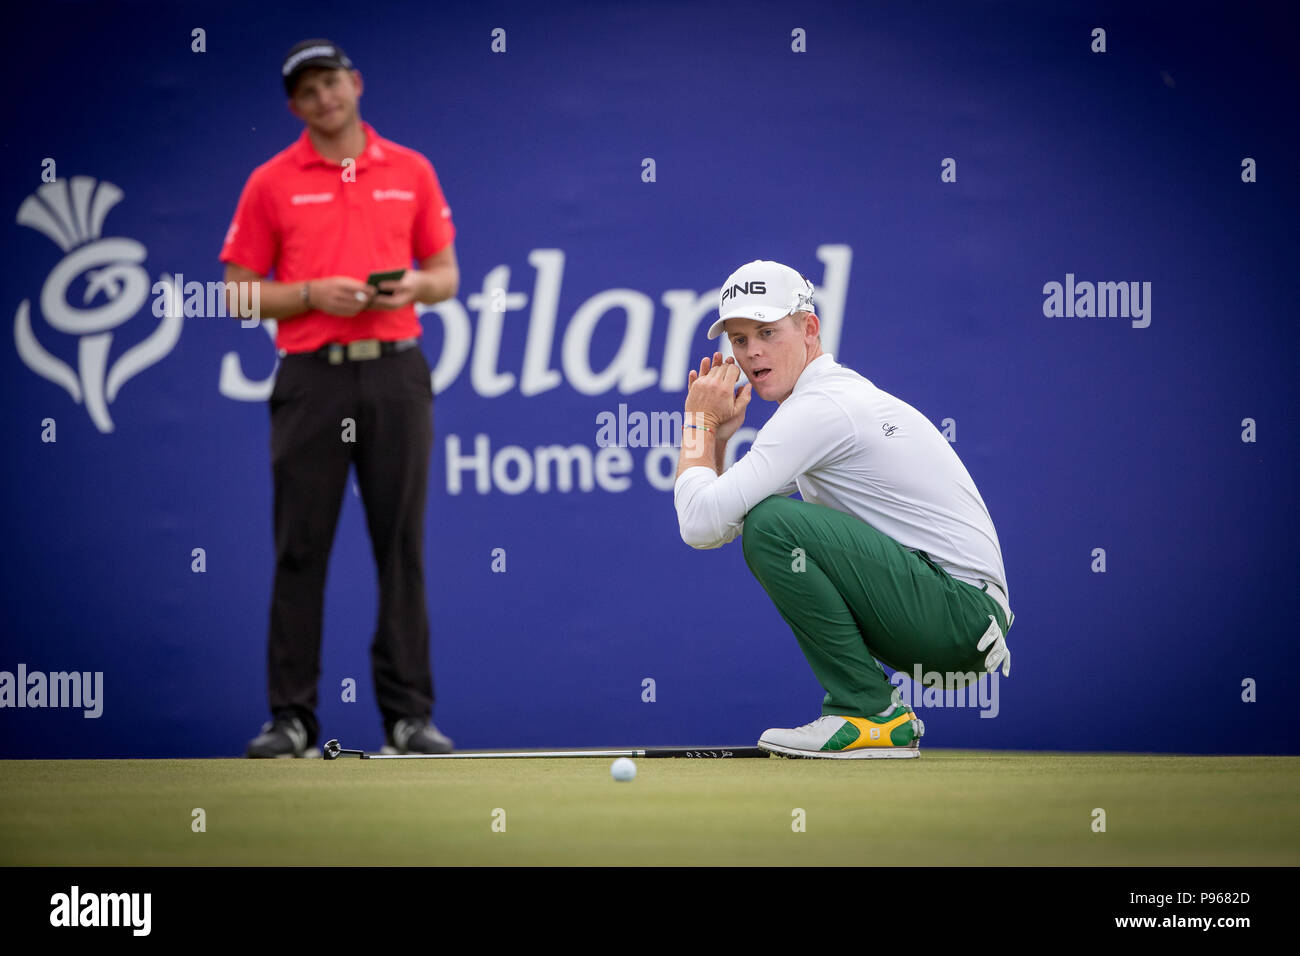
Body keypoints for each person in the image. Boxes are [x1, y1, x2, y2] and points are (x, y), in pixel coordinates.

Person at [220, 39, 459, 757]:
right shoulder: (271, 181)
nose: (325, 99)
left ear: (356, 83)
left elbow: (445, 272)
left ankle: (407, 720)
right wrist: (306, 295)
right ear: (294, 106)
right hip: (311, 377)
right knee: (301, 548)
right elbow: (233, 293)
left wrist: (415, 286)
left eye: (333, 83)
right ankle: (291, 718)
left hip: (395, 370)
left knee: (401, 548)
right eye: (308, 92)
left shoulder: (410, 169)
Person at [674, 260, 1013, 758]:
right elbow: (719, 522)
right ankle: (873, 714)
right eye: (741, 340)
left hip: (959, 618)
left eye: (767, 331)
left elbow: (700, 526)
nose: (752, 353)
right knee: (766, 520)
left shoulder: (822, 408)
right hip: (956, 625)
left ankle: (868, 712)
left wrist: (698, 421)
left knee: (772, 525)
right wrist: (719, 439)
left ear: (809, 328)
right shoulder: (824, 403)